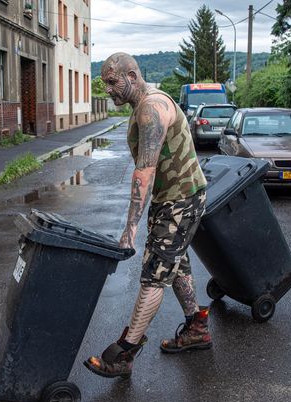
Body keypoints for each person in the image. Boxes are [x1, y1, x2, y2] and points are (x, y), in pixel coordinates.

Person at [84, 53, 211, 379]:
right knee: (175, 264)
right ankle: (197, 327)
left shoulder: (152, 109)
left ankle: (125, 352)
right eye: (105, 83)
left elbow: (145, 171)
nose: (108, 89)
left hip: (179, 202)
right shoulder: (141, 107)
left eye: (113, 82)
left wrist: (129, 229)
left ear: (132, 75)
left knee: (155, 273)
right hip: (174, 199)